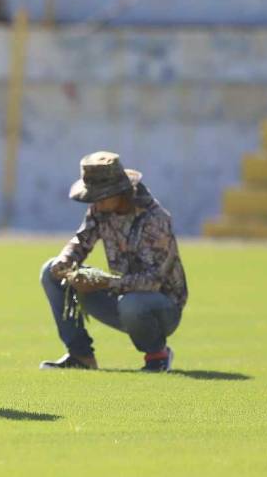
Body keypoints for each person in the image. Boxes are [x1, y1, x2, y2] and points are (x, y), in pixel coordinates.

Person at [39, 151, 188, 373]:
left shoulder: (155, 220)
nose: (94, 202)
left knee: (132, 303)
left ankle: (158, 355)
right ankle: (81, 356)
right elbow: (81, 241)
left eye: (100, 196)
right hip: (121, 297)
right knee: (50, 272)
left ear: (120, 192)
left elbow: (153, 281)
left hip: (161, 308)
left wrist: (104, 283)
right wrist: (65, 261)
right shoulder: (101, 210)